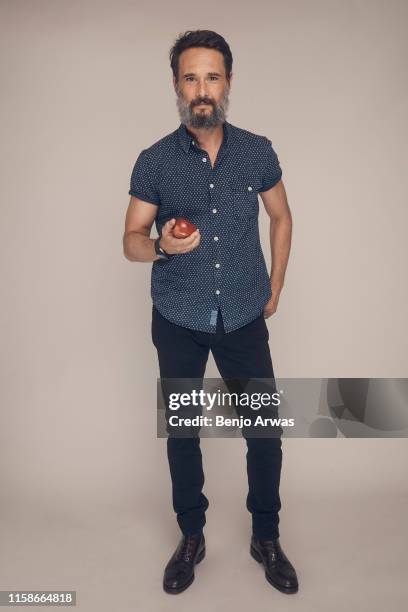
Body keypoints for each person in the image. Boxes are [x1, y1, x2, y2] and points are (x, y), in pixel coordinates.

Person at [123, 29, 298, 595]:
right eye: (191, 77)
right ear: (176, 85)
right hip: (177, 314)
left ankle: (266, 536)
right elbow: (130, 238)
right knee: (182, 431)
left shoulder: (257, 149)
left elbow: (281, 217)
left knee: (265, 433)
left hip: (244, 311)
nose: (202, 89)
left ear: (228, 81)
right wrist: (162, 247)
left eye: (212, 76)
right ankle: (191, 536)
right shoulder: (155, 161)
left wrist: (274, 286)